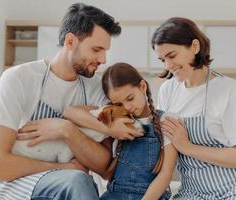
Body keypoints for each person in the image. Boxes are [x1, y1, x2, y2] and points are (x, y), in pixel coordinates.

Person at [0, 3, 137, 200]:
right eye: (97, 49)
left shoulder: (98, 88)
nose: (103, 59)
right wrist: (62, 168)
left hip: (70, 182)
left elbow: (105, 167)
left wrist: (67, 130)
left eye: (105, 51)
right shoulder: (18, 78)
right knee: (78, 180)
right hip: (18, 182)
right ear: (70, 41)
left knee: (79, 181)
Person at [151, 17, 236, 199]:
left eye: (172, 55)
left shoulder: (229, 90)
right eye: (163, 60)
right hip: (194, 192)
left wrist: (187, 147)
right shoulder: (167, 91)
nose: (168, 66)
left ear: (194, 47)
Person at [63, 63, 177, 200]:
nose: (127, 107)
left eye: (130, 98)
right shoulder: (114, 121)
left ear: (142, 86)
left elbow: (165, 175)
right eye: (119, 104)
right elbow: (69, 112)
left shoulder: (165, 120)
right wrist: (109, 129)